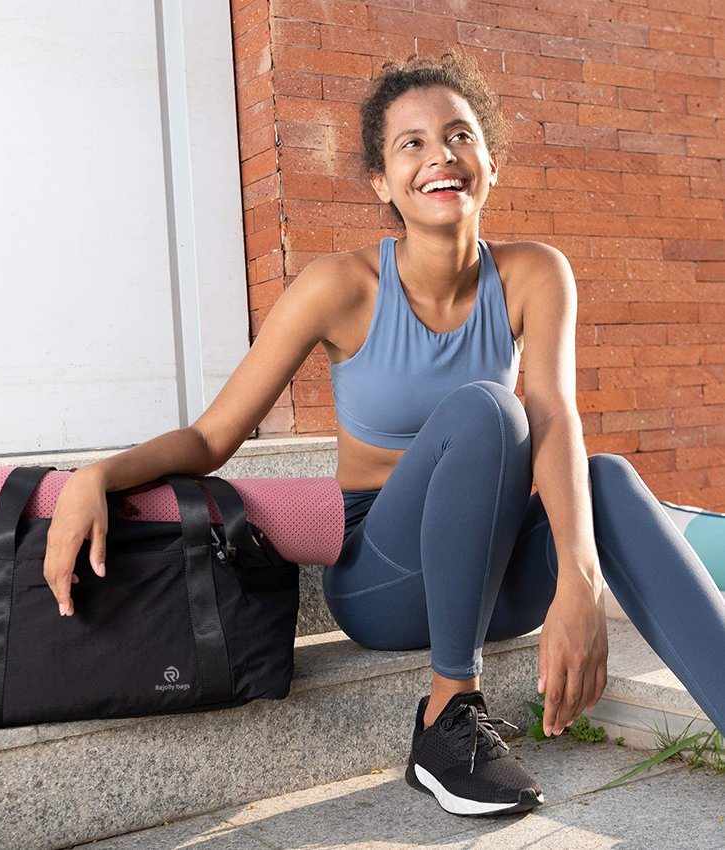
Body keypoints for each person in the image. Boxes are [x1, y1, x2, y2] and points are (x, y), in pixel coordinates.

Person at [43, 48, 725, 819]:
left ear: (489, 164)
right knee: (487, 408)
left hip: (495, 572)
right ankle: (446, 716)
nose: (441, 156)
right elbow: (211, 440)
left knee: (607, 479)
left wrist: (579, 578)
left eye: (460, 136)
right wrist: (98, 474)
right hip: (384, 579)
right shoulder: (341, 286)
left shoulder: (537, 272)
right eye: (413, 143)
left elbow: (558, 418)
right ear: (382, 182)